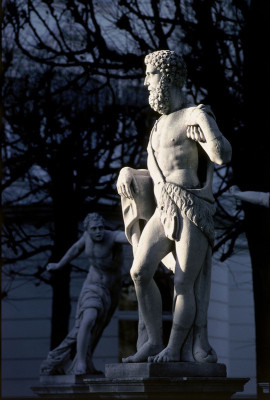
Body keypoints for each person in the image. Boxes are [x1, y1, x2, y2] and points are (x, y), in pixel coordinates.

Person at [117, 50, 232, 363]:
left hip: (190, 206)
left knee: (184, 282)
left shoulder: (195, 114)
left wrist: (207, 141)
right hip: (163, 206)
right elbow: (155, 176)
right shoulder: (157, 126)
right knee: (139, 272)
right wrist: (127, 172)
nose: (145, 82)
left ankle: (174, 346)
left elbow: (222, 154)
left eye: (149, 75)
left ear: (166, 76)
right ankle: (154, 341)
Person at [40, 213, 128, 375]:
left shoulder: (112, 237)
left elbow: (129, 237)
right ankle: (79, 362)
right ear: (87, 230)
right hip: (93, 286)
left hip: (111, 289)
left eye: (101, 228)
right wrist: (59, 265)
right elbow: (74, 249)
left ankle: (86, 361)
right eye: (94, 229)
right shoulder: (86, 237)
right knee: (87, 319)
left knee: (98, 328)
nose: (98, 232)